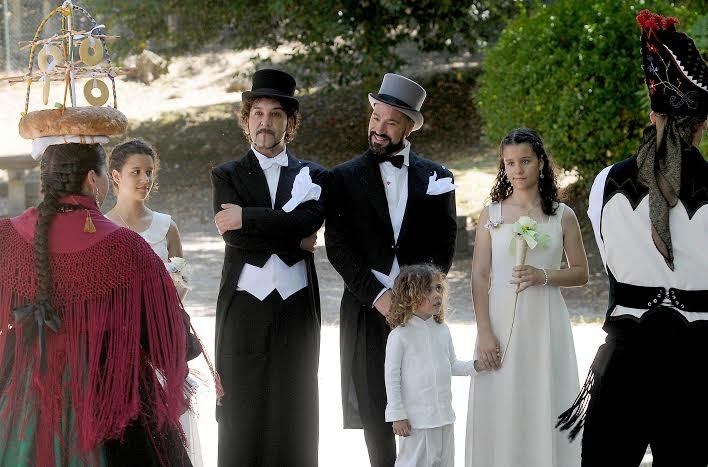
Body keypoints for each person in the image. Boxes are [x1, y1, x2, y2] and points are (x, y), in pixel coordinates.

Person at [556, 10, 708, 466]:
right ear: (701, 125)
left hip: (626, 355)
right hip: (696, 359)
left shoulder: (606, 182)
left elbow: (609, 260)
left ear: (652, 113)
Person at [0, 142, 198, 466]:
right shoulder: (127, 246)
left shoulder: (6, 236)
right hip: (110, 392)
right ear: (93, 179)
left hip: (25, 389)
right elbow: (167, 334)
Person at [325, 72, 458, 467]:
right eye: (375, 118)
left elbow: (445, 244)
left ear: (409, 127)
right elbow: (338, 248)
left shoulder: (438, 177)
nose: (379, 129)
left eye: (391, 122)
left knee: (423, 401)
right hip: (367, 307)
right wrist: (379, 297)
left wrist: (423, 296)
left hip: (420, 314)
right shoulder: (343, 177)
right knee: (375, 405)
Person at [211, 68, 327, 467]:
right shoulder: (227, 174)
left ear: (289, 123)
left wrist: (248, 216)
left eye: (276, 114)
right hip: (244, 308)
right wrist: (294, 236)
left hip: (296, 309)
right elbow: (235, 238)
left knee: (295, 407)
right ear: (246, 121)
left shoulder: (313, 175)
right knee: (241, 409)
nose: (265, 122)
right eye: (257, 113)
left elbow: (310, 220)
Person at [465, 128, 589, 467]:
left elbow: (581, 272)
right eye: (509, 163)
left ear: (541, 162)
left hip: (546, 322)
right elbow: (479, 276)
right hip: (499, 321)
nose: (517, 170)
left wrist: (542, 275)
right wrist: (484, 331)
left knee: (544, 396)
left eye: (525, 161)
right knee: (502, 398)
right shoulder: (491, 215)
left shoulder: (562, 215)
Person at [105, 138, 203, 467]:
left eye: (149, 172)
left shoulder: (166, 226)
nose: (145, 179)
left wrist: (159, 317)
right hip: (122, 344)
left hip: (162, 339)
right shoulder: (102, 228)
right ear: (116, 175)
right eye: (136, 172)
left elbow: (182, 279)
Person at [384, 263, 481, 467]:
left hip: (444, 418)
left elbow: (452, 365)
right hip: (417, 422)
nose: (437, 294)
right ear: (409, 296)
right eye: (428, 290)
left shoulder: (442, 330)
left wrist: (477, 366)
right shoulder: (399, 336)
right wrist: (397, 415)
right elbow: (391, 378)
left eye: (438, 288)